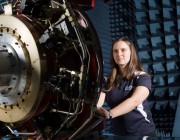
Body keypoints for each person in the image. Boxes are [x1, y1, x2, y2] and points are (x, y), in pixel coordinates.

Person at [97, 37, 155, 136]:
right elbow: (97, 104)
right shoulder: (107, 80)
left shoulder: (142, 77)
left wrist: (110, 114)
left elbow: (134, 101)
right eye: (115, 51)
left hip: (142, 132)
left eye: (123, 50)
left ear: (131, 52)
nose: (119, 54)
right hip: (117, 133)